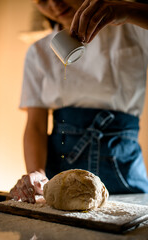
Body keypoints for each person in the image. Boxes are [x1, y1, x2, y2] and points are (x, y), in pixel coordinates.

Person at [10, 0, 148, 203]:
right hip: (61, 172)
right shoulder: (38, 52)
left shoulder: (133, 29)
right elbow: (36, 126)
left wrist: (125, 10)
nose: (54, 4)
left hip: (125, 169)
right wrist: (36, 173)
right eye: (42, 1)